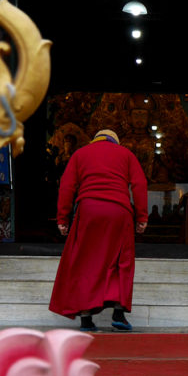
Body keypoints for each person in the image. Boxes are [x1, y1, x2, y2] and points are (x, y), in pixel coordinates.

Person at [50, 129, 148, 332]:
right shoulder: (126, 154)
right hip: (119, 211)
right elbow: (139, 185)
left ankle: (86, 318)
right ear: (115, 140)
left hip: (88, 210)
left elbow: (66, 186)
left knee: (84, 261)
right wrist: (142, 217)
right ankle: (118, 314)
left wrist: (62, 219)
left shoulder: (80, 154)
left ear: (95, 139)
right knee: (121, 261)